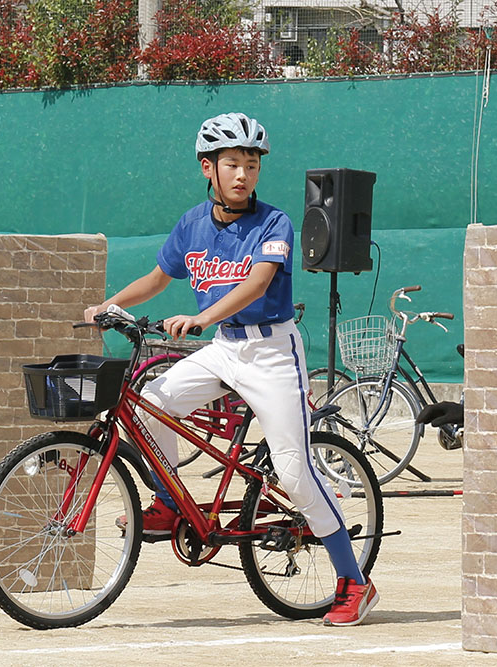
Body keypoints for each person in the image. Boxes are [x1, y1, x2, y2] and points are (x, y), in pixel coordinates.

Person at [84, 112, 377, 627]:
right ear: (208, 168)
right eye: (233, 164)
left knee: (293, 471)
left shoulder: (275, 222)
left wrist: (200, 316)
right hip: (224, 348)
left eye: (251, 165)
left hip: (271, 354)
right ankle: (169, 502)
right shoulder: (193, 224)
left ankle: (354, 580)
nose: (244, 175)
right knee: (150, 406)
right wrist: (109, 304)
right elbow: (157, 278)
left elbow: (258, 284)